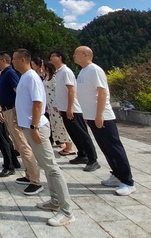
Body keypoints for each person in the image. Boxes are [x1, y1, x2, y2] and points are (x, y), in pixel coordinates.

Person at [13, 48, 75, 227]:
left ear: (23, 59)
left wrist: (33, 126)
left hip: (37, 128)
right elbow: (26, 102)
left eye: (15, 59)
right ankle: (55, 201)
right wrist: (20, 118)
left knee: (51, 167)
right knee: (47, 167)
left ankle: (66, 211)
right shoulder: (25, 77)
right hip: (30, 127)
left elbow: (38, 102)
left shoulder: (31, 77)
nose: (13, 62)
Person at [73, 46, 136, 196]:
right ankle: (116, 175)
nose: (73, 56)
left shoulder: (94, 70)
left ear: (85, 54)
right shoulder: (83, 71)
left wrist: (99, 114)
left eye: (75, 54)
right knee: (105, 148)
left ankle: (128, 181)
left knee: (114, 148)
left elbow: (102, 92)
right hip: (91, 116)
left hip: (103, 117)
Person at [0, 52, 43, 195]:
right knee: (19, 145)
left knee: (23, 144)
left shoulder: (10, 73)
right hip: (8, 111)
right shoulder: (5, 73)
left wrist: (18, 113)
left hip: (13, 111)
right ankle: (28, 174)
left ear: (3, 60)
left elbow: (19, 94)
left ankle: (35, 180)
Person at [50, 50, 100, 171]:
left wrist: (70, 107)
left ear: (59, 57)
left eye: (52, 56)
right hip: (64, 109)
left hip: (73, 109)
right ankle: (82, 154)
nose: (50, 58)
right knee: (73, 134)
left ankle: (93, 159)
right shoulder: (58, 72)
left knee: (82, 134)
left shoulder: (66, 71)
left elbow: (71, 90)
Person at [35, 59, 76, 156]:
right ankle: (65, 144)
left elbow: (57, 90)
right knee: (57, 125)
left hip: (55, 103)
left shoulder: (54, 77)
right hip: (50, 104)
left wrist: (57, 104)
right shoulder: (46, 76)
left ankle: (70, 146)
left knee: (62, 125)